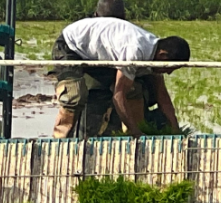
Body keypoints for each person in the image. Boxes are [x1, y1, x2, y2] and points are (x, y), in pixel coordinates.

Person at [51, 17, 189, 139]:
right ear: (163, 56)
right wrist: (136, 133)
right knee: (74, 96)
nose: (169, 73)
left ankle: (130, 134)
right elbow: (118, 96)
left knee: (133, 90)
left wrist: (176, 130)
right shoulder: (134, 52)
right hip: (71, 45)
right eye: (169, 69)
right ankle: (59, 142)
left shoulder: (153, 53)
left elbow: (162, 96)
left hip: (98, 53)